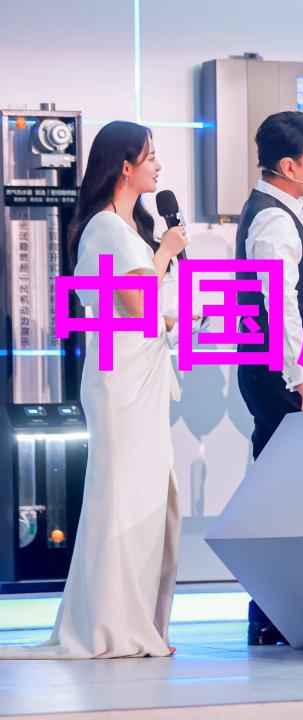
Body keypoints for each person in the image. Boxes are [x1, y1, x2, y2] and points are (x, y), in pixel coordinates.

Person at [0, 121, 187, 659]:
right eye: (150, 157)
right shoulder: (106, 227)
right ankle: (111, 624)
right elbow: (137, 304)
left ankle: (138, 621)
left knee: (151, 500)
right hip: (120, 381)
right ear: (125, 166)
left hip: (142, 376)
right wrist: (166, 252)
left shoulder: (129, 228)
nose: (158, 166)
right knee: (123, 498)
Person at [234, 111, 303, 645]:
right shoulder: (274, 220)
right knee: (286, 494)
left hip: (277, 373)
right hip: (283, 377)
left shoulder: (274, 210)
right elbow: (280, 304)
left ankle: (276, 611)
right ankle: (274, 611)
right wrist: (302, 375)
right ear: (288, 166)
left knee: (285, 490)